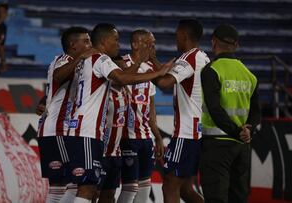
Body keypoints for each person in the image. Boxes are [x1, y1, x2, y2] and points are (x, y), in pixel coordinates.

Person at [66, 23, 173, 203]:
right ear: (104, 40)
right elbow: (122, 78)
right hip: (89, 130)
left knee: (95, 189)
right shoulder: (102, 59)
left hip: (95, 132)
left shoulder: (93, 60)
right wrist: (159, 72)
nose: (118, 43)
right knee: (86, 188)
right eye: (115, 39)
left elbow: (121, 80)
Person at [199, 23, 261, 203]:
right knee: (238, 197)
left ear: (213, 42)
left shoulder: (211, 71)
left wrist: (236, 131)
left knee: (216, 197)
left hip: (217, 145)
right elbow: (256, 112)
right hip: (241, 147)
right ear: (237, 46)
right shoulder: (249, 75)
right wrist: (248, 131)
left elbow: (214, 109)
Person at [153, 19, 210, 203]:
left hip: (186, 133)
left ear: (184, 36)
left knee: (170, 183)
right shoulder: (202, 56)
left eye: (177, 36)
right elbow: (169, 75)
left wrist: (148, 66)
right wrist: (152, 60)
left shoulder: (189, 58)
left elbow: (164, 83)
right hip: (197, 131)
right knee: (185, 188)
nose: (175, 40)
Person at [37, 26, 94, 203]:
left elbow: (54, 91)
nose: (90, 44)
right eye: (85, 41)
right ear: (73, 45)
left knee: (58, 187)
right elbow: (58, 77)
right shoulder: (66, 60)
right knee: (75, 183)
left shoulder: (70, 61)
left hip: (54, 129)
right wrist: (80, 57)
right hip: (58, 128)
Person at [117, 29, 165, 203]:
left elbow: (150, 107)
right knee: (130, 188)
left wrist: (157, 136)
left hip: (146, 137)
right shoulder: (121, 64)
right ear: (135, 44)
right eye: (147, 43)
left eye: (153, 43)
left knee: (145, 188)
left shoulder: (150, 68)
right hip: (126, 136)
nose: (151, 47)